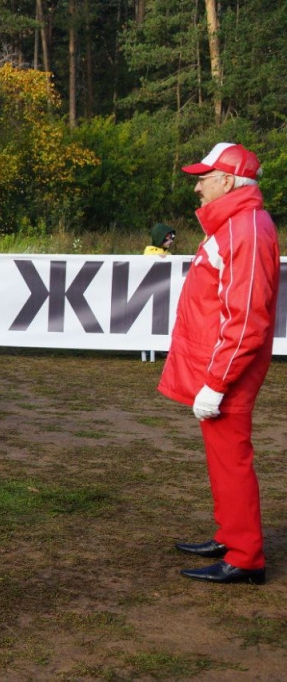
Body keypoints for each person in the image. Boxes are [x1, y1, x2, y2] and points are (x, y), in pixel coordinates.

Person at [158, 143, 278, 585]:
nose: (198, 184)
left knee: (231, 457)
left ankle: (246, 557)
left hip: (229, 367)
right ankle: (232, 535)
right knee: (222, 455)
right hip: (222, 363)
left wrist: (217, 382)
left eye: (205, 176)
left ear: (228, 181)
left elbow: (247, 317)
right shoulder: (236, 223)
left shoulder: (244, 228)